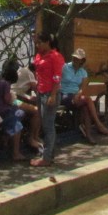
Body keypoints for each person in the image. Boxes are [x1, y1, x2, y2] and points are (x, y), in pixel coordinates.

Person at [60, 48, 108, 144]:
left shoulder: (83, 72)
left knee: (85, 108)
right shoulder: (65, 67)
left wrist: (78, 94)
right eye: (74, 58)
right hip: (65, 94)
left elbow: (83, 87)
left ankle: (89, 135)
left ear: (82, 61)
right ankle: (98, 124)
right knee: (87, 100)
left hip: (76, 95)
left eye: (78, 59)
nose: (75, 60)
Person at [30, 33, 65, 167]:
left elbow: (57, 77)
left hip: (50, 93)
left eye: (40, 43)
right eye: (36, 43)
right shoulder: (39, 56)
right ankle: (49, 154)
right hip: (41, 92)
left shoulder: (55, 56)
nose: (37, 45)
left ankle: (46, 158)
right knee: (45, 125)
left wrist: (53, 95)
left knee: (48, 126)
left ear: (47, 42)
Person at [0, 65, 27, 161]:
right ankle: (15, 153)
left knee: (18, 114)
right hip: (2, 111)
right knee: (18, 124)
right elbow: (8, 100)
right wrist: (15, 102)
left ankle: (6, 137)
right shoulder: (6, 84)